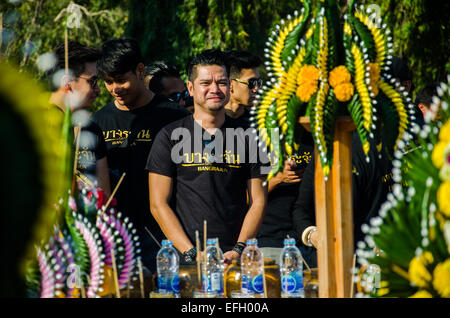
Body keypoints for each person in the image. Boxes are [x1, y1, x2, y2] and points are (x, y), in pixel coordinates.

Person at [147, 49, 268, 267]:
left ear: (230, 87)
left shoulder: (251, 136)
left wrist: (239, 249)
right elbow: (158, 204)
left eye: (221, 82)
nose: (214, 89)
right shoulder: (168, 136)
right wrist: (192, 253)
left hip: (235, 258)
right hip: (186, 261)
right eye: (206, 83)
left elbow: (258, 200)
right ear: (191, 88)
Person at [90, 38, 190, 271]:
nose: (115, 88)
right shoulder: (97, 123)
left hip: (167, 237)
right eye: (108, 82)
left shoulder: (174, 117)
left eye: (122, 80)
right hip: (119, 240)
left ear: (140, 70)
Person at [291, 133, 392, 268]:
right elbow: (301, 208)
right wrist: (313, 235)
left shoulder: (383, 143)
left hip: (375, 257)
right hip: (331, 262)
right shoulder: (323, 153)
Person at [47, 41, 111, 196]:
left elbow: (105, 199)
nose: (98, 89)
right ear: (67, 83)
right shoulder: (34, 123)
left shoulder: (92, 130)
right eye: (92, 81)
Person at [224, 50, 263, 128]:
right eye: (251, 82)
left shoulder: (260, 122)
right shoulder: (210, 122)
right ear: (230, 84)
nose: (256, 89)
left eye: (259, 82)